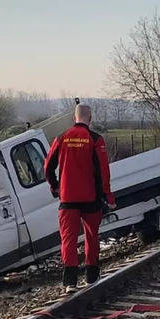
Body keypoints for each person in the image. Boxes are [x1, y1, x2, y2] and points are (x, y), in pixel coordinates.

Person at [44, 103, 115, 292]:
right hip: (91, 198)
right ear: (90, 119)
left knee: (68, 239)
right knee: (92, 236)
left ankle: (70, 282)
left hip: (67, 199)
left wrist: (55, 187)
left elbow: (47, 167)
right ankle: (91, 276)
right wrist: (108, 196)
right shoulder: (95, 139)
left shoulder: (61, 138)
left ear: (73, 118)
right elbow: (103, 171)